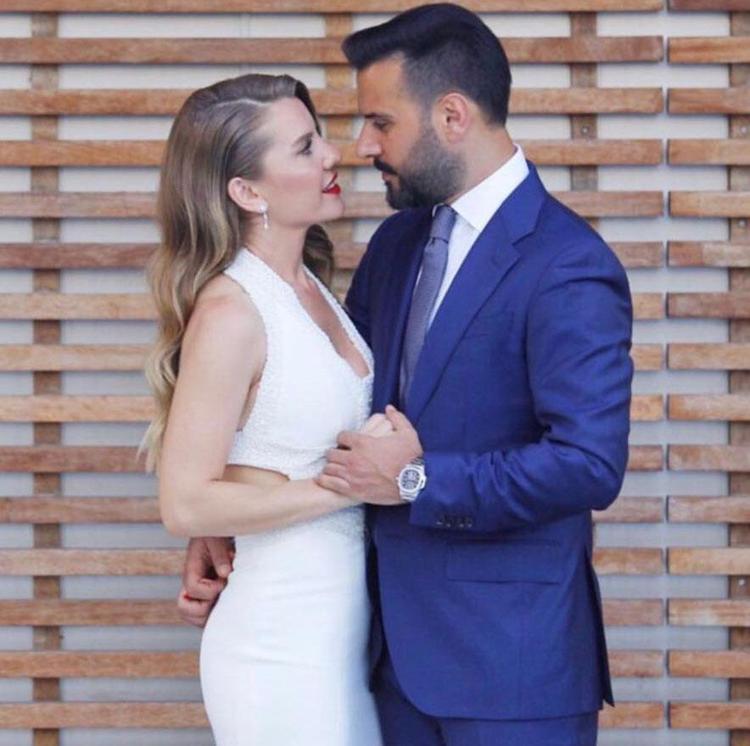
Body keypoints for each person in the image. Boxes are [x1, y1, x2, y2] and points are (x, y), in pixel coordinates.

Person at [179, 4, 634, 745]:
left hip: (512, 669)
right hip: (379, 659)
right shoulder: (396, 245)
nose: (360, 146)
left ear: (451, 116)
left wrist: (418, 480)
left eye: (380, 123)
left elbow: (588, 465)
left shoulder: (569, 264)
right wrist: (230, 518)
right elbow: (331, 409)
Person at [142, 73, 383, 745]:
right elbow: (186, 503)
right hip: (279, 645)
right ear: (247, 192)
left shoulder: (311, 290)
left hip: (342, 640)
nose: (332, 155)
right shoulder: (232, 311)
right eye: (304, 147)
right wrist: (350, 486)